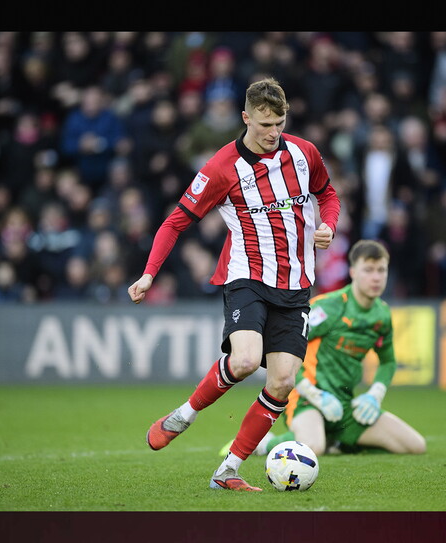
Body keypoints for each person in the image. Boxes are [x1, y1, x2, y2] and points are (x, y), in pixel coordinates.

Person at [128, 77, 341, 492]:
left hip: (297, 285)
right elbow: (176, 221)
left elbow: (327, 194)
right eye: (264, 125)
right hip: (248, 276)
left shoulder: (304, 153)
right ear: (245, 117)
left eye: (279, 123)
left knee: (282, 382)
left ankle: (228, 470)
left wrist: (328, 225)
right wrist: (149, 273)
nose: (273, 133)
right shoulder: (222, 167)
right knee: (244, 361)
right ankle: (183, 415)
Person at [223, 240, 426, 459]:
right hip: (306, 398)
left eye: (381, 270)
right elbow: (284, 347)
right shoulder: (328, 307)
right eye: (368, 270)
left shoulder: (382, 315)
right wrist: (313, 393)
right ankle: (266, 442)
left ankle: (338, 439)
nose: (376, 277)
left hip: (344, 405)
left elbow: (387, 361)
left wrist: (375, 395)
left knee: (415, 445)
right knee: (313, 447)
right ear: (353, 272)